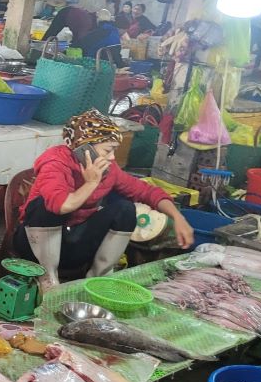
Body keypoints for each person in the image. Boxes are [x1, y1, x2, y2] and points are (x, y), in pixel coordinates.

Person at [15, 110, 194, 288]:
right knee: (43, 206)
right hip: (34, 248)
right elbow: (61, 205)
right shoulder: (56, 163)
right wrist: (91, 182)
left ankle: (98, 280)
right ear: (84, 149)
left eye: (114, 150)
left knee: (125, 209)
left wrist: (177, 217)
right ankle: (47, 280)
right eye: (108, 150)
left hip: (72, 246)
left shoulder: (109, 169)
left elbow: (145, 191)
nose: (112, 157)